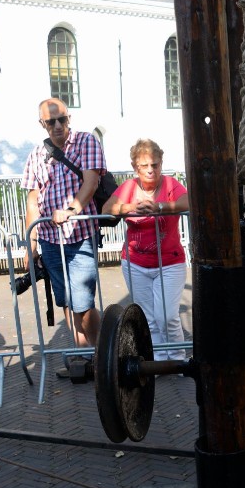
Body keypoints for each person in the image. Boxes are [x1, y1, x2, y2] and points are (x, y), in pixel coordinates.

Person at [22, 98, 105, 377]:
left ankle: (102, 352)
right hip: (48, 238)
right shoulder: (36, 154)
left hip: (80, 235)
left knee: (83, 300)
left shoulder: (86, 142)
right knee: (66, 300)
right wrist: (30, 244)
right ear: (42, 124)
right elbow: (33, 200)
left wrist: (71, 210)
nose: (58, 126)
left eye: (62, 120)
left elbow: (91, 182)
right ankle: (83, 358)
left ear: (69, 118)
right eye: (51, 122)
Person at [102, 139, 188, 361]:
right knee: (148, 317)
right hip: (135, 263)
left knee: (167, 315)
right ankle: (158, 360)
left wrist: (161, 207)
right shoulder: (129, 187)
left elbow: (189, 201)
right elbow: (107, 208)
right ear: (135, 167)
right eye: (144, 166)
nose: (151, 170)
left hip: (169, 262)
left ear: (161, 164)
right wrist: (130, 207)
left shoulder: (169, 185)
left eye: (155, 165)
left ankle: (177, 358)